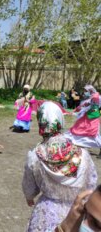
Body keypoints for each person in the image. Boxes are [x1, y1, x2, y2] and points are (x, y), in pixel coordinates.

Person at [22, 102, 97, 232]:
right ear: (60, 120)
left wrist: (29, 197)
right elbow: (91, 183)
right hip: (75, 213)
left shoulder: (35, 156)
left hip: (45, 213)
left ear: (40, 122)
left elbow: (29, 185)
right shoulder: (82, 154)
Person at [64, 85, 101, 151]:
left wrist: (85, 111)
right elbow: (83, 105)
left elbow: (95, 109)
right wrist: (78, 110)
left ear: (90, 91)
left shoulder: (96, 97)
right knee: (79, 129)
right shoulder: (91, 98)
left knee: (91, 132)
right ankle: (76, 142)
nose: (84, 92)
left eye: (86, 91)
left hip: (92, 118)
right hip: (86, 117)